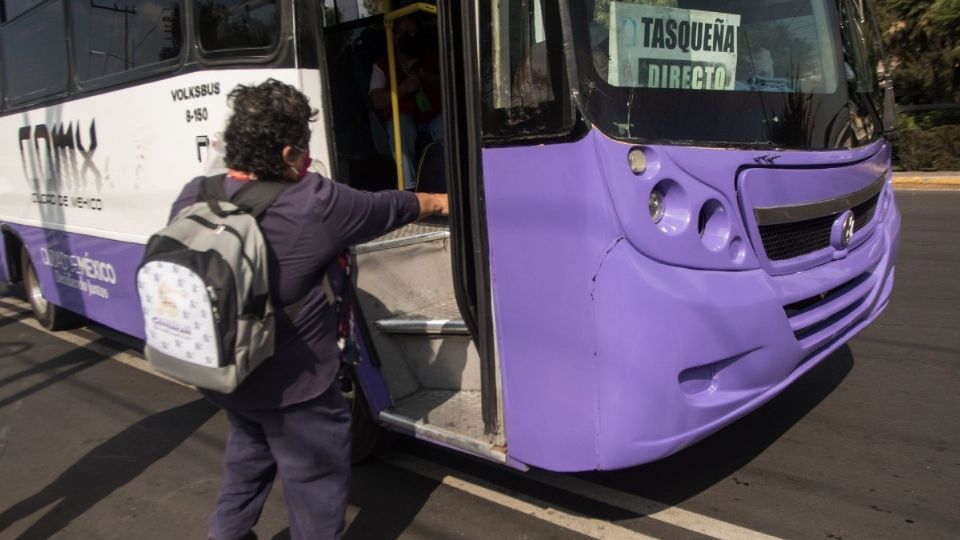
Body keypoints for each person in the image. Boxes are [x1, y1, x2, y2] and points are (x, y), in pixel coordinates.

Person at [167, 79, 448, 540]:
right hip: (296, 387)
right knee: (314, 486)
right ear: (285, 154)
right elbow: (390, 207)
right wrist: (441, 200)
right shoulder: (314, 202)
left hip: (223, 369)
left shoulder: (197, 193)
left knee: (248, 454)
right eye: (303, 146)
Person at [368, 14, 442, 190]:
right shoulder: (382, 65)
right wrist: (403, 89)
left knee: (448, 124)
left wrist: (423, 74)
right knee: (400, 126)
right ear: (394, 38)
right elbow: (377, 101)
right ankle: (408, 187)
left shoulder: (432, 58)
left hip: (432, 117)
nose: (411, 38)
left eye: (414, 34)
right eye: (406, 34)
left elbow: (450, 86)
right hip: (406, 117)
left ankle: (445, 182)